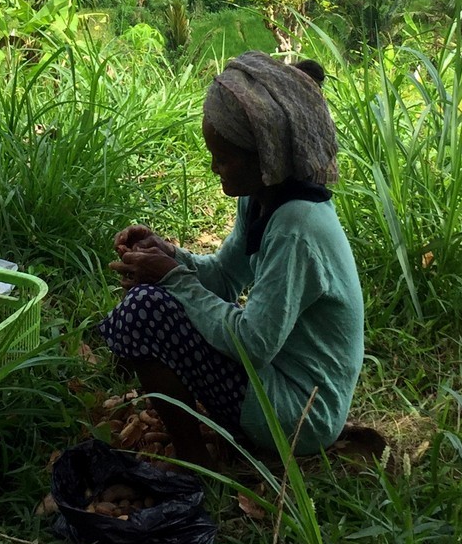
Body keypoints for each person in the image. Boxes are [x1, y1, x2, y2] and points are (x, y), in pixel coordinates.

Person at [101, 52, 364, 464]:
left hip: (301, 415)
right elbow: (224, 276)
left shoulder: (296, 228)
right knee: (155, 297)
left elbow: (254, 344)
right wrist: (169, 254)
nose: (213, 168)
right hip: (278, 380)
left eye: (223, 159)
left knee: (145, 310)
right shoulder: (262, 199)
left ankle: (193, 462)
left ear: (267, 157)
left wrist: (172, 277)